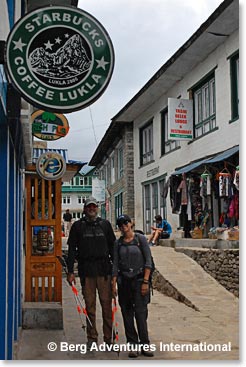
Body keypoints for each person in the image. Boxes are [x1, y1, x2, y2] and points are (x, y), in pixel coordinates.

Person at [66, 197, 116, 347]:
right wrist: (70, 271)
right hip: (86, 271)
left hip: (104, 271)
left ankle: (109, 338)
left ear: (97, 209)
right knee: (90, 305)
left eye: (94, 206)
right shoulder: (77, 227)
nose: (92, 209)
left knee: (107, 306)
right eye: (89, 207)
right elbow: (71, 251)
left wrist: (115, 272)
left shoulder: (105, 225)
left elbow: (113, 249)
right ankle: (92, 337)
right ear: (84, 209)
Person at [112, 214, 154, 358]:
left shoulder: (140, 239)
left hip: (139, 280)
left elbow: (148, 261)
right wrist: (113, 284)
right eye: (120, 224)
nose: (123, 226)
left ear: (131, 223)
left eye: (125, 223)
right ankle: (133, 344)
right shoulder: (118, 243)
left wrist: (146, 282)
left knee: (141, 314)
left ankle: (145, 343)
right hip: (124, 283)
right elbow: (115, 264)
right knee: (127, 314)